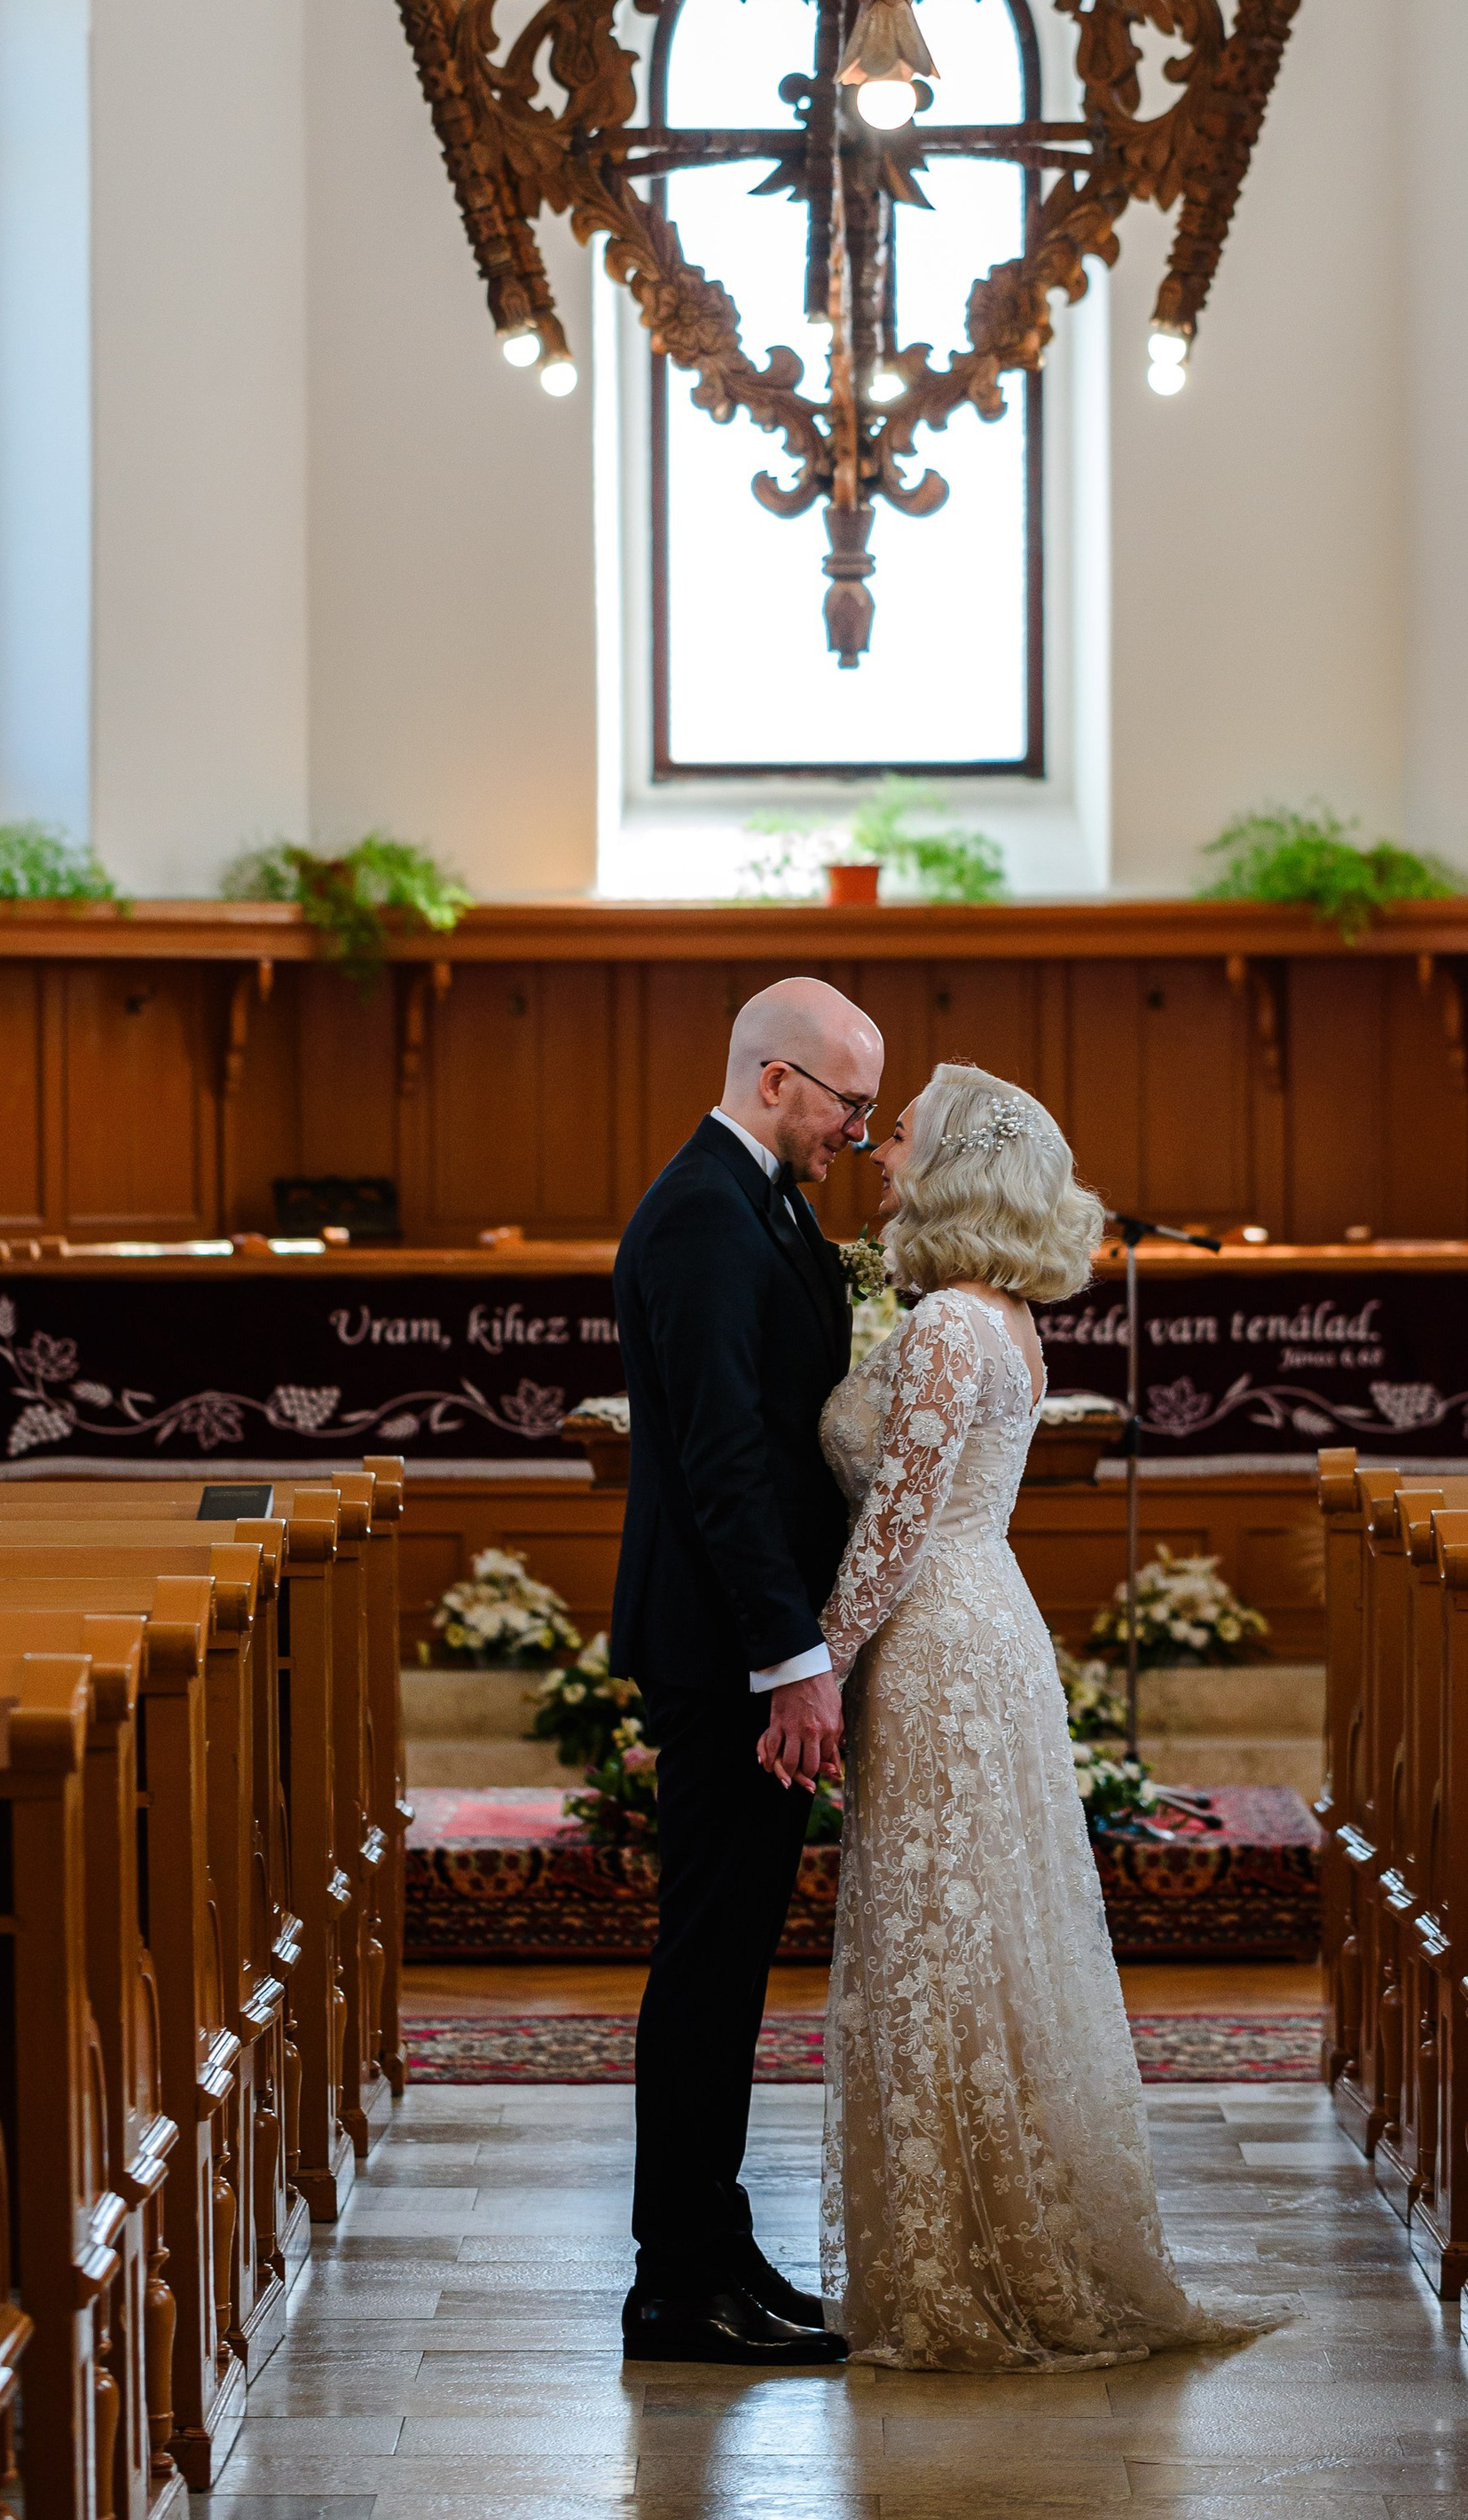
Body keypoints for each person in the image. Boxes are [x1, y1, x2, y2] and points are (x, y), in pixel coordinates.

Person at [795, 1060, 1281, 2370]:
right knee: (970, 1932)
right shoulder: (994, 1312)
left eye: (898, 1137)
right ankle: (978, 2230)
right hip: (977, 1618)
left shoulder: (954, 1322)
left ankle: (969, 2260)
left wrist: (815, 1670)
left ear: (957, 1164)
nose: (879, 1154)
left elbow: (895, 1525)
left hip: (936, 1634)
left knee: (943, 1938)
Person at [609, 974, 882, 2367]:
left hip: (742, 1645)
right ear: (777, 1079)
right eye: (848, 1102)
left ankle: (715, 2246)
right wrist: (793, 1661)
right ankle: (673, 2283)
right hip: (728, 1655)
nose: (858, 1130)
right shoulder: (707, 1215)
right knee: (709, 1966)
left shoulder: (759, 1200)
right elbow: (724, 1460)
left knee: (728, 1963)